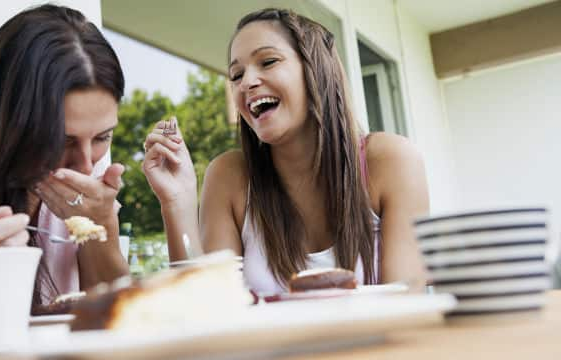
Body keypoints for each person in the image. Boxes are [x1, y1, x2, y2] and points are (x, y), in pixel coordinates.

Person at [142, 8, 429, 296]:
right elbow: (209, 309)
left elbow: (408, 304)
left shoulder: (389, 160)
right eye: (236, 74)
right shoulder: (229, 177)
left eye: (268, 61)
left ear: (316, 70)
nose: (247, 82)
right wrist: (177, 204)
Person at [0, 5, 129, 350]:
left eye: (103, 137)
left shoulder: (90, 164)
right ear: (13, 120)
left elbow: (117, 321)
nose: (84, 164)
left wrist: (101, 226)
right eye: (61, 140)